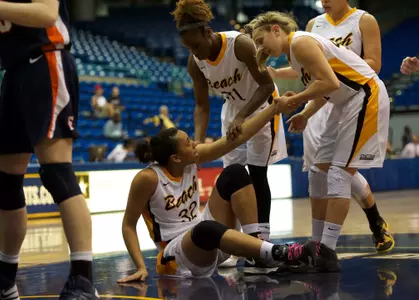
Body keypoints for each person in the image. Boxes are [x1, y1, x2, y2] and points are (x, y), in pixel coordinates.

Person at [0, 1, 97, 299]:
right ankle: (4, 278)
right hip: (15, 71)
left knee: (57, 173)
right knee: (5, 181)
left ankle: (83, 280)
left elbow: (46, 14)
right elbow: (14, 32)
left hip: (46, 63)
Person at [247, 11, 390, 272]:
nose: (260, 47)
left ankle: (327, 252)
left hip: (364, 96)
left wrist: (293, 100)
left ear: (276, 29)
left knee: (337, 174)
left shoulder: (301, 42)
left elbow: (330, 83)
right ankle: (316, 246)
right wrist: (303, 114)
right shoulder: (295, 52)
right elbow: (326, 90)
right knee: (317, 171)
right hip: (343, 102)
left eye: (260, 39)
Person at [117, 101, 313, 283]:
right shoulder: (147, 178)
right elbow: (128, 225)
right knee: (205, 228)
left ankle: (256, 252)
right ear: (175, 158)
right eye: (188, 142)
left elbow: (236, 139)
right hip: (178, 256)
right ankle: (278, 252)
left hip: (208, 240)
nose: (194, 143)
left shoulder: (191, 158)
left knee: (235, 172)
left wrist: (273, 109)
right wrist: (141, 267)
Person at [171, 0, 287, 272]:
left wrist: (242, 116)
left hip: (260, 107)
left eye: (196, 45)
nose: (194, 52)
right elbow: (201, 105)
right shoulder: (195, 62)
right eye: (189, 48)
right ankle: (238, 245)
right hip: (232, 110)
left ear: (207, 31)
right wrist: (198, 141)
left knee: (257, 174)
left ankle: (261, 245)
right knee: (234, 177)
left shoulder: (239, 45)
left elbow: (267, 85)